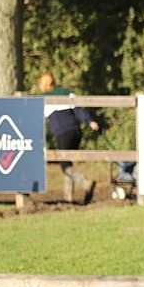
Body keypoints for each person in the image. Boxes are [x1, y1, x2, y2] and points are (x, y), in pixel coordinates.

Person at [37, 71, 100, 204]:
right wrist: (90, 121)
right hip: (75, 131)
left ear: (45, 85)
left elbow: (39, 120)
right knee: (68, 163)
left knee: (65, 164)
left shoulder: (44, 99)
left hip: (62, 133)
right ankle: (68, 198)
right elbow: (79, 109)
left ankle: (85, 182)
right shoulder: (66, 92)